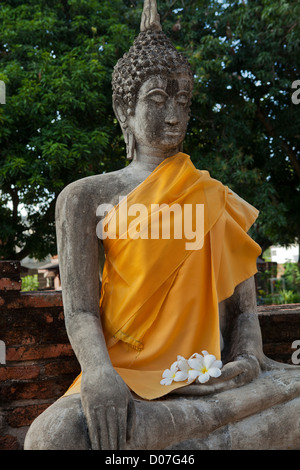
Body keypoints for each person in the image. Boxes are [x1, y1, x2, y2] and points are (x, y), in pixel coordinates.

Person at [24, 1, 300, 450]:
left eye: (182, 100)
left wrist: (246, 361)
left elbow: (245, 312)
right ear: (123, 110)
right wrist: (98, 374)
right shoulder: (86, 197)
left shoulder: (213, 195)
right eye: (156, 98)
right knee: (54, 437)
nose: (173, 114)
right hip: (128, 377)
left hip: (211, 379)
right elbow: (79, 311)